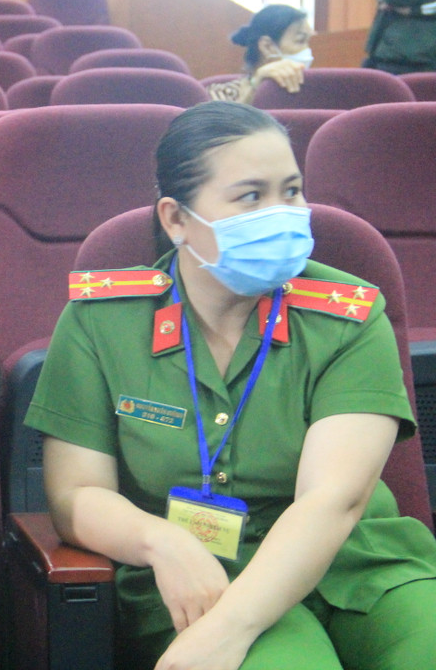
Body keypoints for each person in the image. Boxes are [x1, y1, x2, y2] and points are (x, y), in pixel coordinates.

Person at [25, 101, 436, 670]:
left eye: (292, 191)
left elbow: (332, 500)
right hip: (198, 570)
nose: (282, 213)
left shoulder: (349, 316)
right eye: (251, 196)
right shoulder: (103, 319)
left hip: (356, 561)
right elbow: (75, 496)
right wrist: (162, 542)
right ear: (176, 219)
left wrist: (228, 630)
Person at [207, 5, 312, 104]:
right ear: (267, 46)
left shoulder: (312, 92)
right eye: (300, 41)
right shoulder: (223, 93)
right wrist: (255, 86)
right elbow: (224, 118)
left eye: (308, 42)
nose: (306, 50)